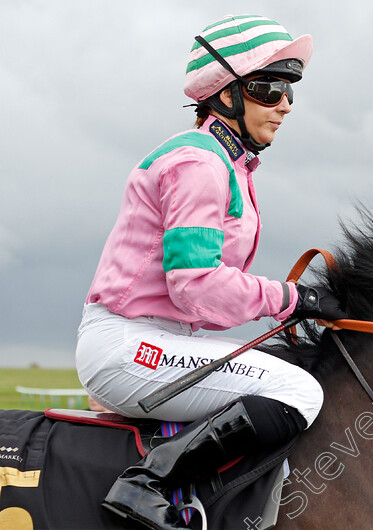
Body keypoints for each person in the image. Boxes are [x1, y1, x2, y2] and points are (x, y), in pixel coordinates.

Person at [74, 14, 344, 529]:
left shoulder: (228, 163)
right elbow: (195, 283)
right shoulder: (200, 164)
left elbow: (198, 298)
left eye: (290, 91)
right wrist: (292, 298)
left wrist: (294, 302)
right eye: (268, 89)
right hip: (129, 345)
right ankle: (149, 483)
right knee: (299, 392)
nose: (285, 104)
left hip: (154, 341)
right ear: (224, 96)